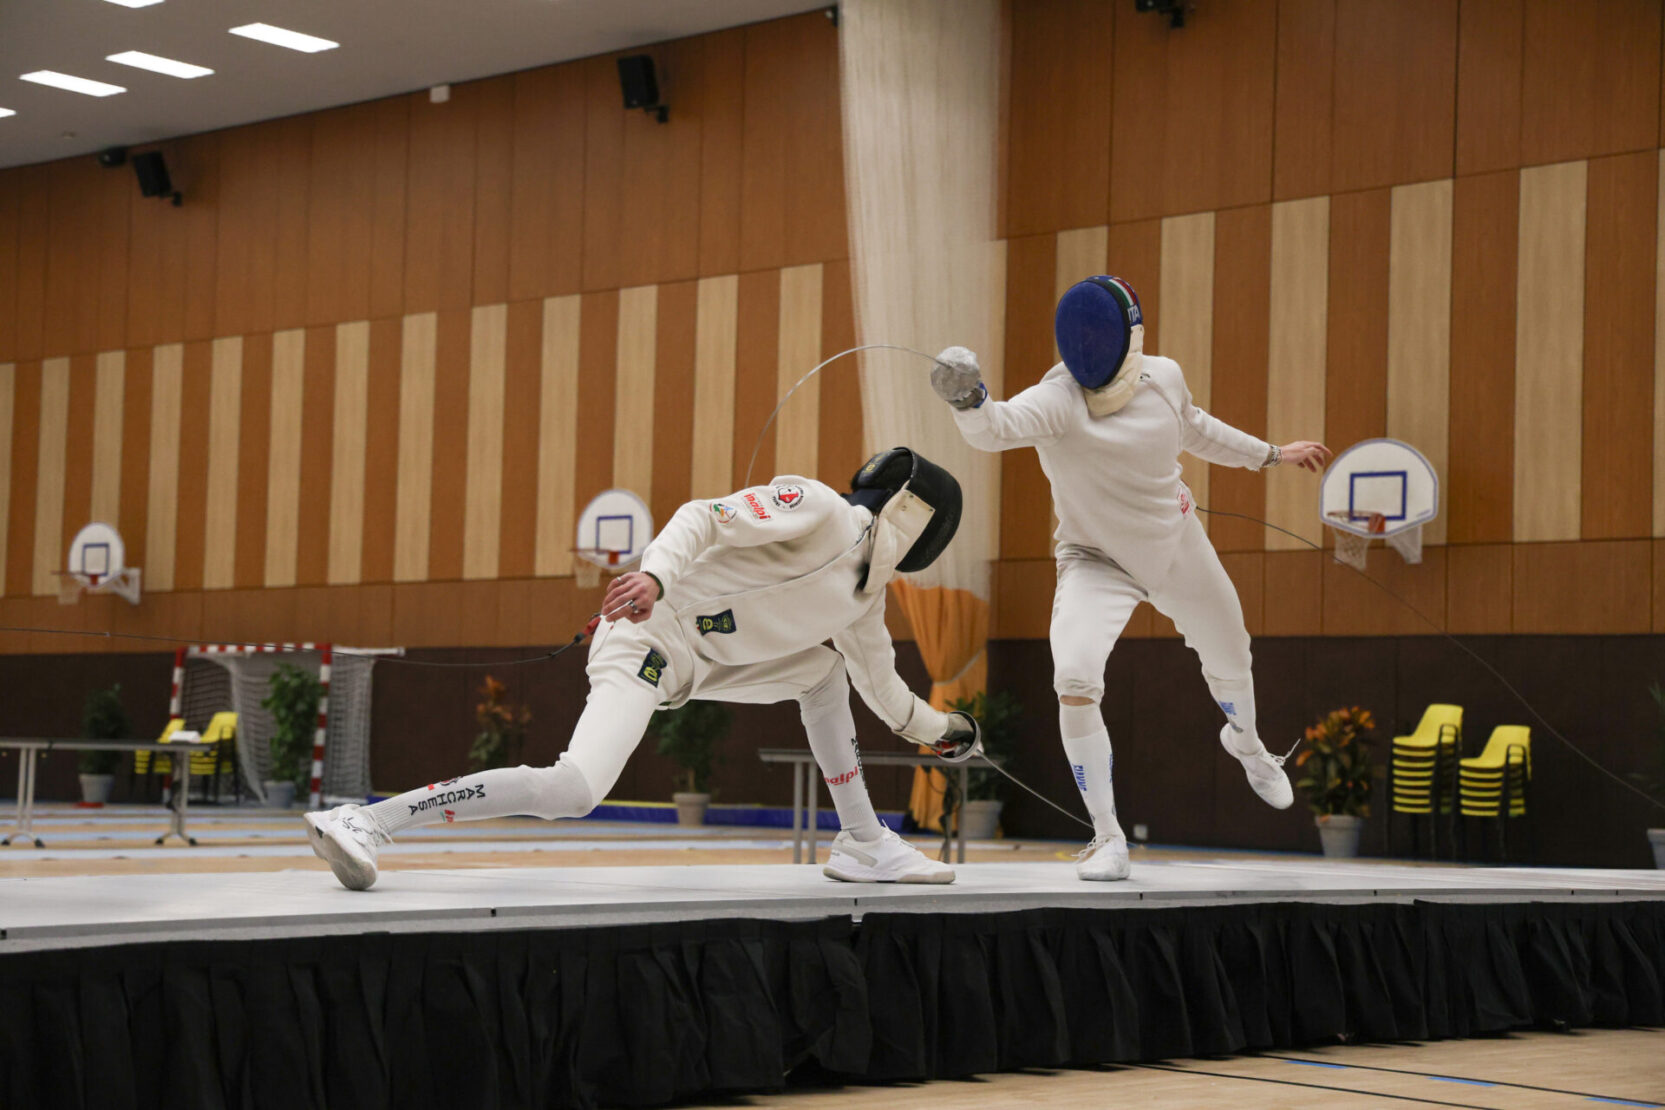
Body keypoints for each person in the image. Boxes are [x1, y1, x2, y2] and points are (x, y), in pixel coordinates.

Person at [304, 447, 979, 890]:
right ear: (918, 518)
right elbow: (701, 519)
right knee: (574, 790)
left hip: (705, 666)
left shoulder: (866, 600)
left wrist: (948, 730)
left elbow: (885, 694)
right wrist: (654, 576)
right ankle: (370, 821)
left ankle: (862, 843)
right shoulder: (820, 508)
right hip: (647, 635)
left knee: (823, 675)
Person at [929, 275, 1331, 881]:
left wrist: (1272, 454)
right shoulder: (1057, 398)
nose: (1088, 348)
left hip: (1175, 544)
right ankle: (1108, 836)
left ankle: (1248, 747)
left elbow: (1198, 429)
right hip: (1095, 560)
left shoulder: (1163, 378)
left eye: (1100, 335)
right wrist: (968, 399)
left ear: (1129, 337)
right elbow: (997, 427)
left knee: (1232, 653)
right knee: (1075, 675)